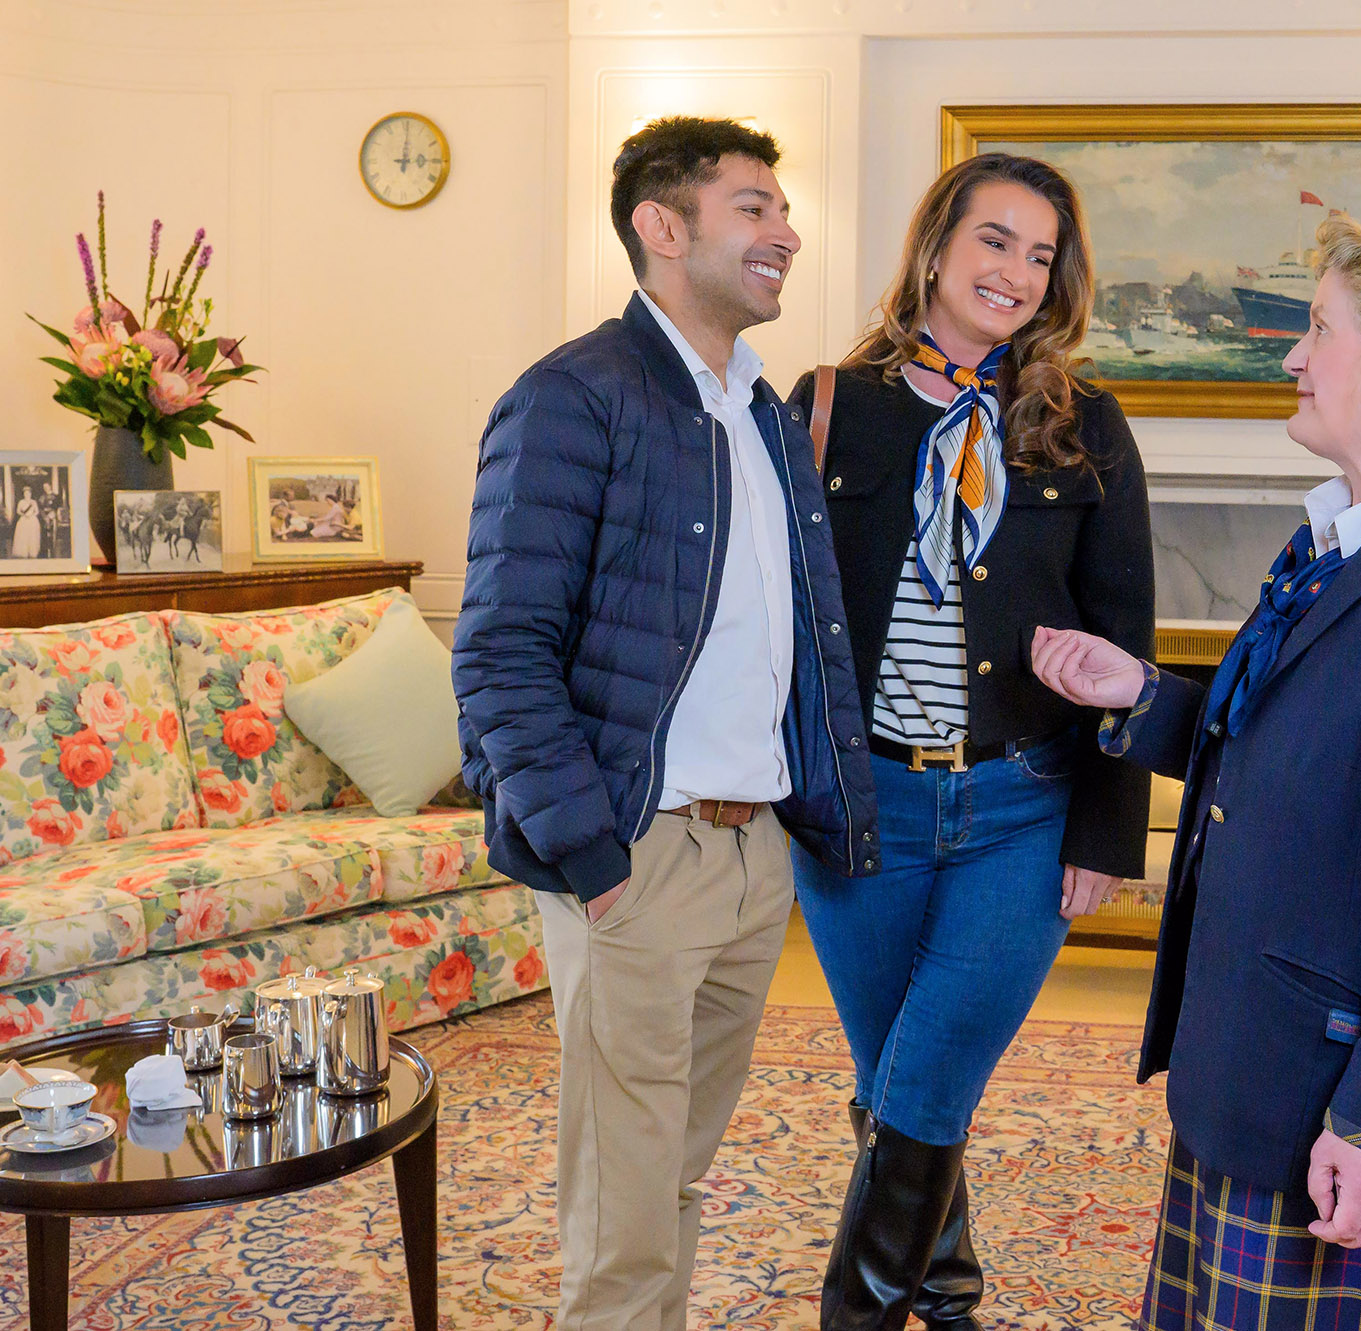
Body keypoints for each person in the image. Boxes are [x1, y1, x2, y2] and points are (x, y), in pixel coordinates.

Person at [1032, 211, 1361, 1329]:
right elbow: (1289, 759)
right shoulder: (1331, 554)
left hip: (1347, 1097)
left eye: (1317, 328)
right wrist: (1139, 694)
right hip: (1251, 1068)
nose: (1289, 353)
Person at [453, 115, 879, 1331]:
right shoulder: (570, 396)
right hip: (638, 850)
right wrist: (592, 857)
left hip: (752, 858)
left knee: (673, 1173)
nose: (786, 233)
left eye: (780, 210)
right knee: (624, 1204)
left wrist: (814, 818)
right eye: (753, 207)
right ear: (661, 225)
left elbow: (806, 640)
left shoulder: (760, 411)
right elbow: (499, 647)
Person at [791, 151, 1154, 1331]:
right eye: (994, 239)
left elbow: (1124, 636)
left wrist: (1107, 826)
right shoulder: (826, 402)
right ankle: (944, 1291)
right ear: (937, 243)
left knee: (930, 1071)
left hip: (1022, 805)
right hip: (863, 811)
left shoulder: (1085, 422)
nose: (1014, 271)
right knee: (894, 1078)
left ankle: (860, 1313)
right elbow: (779, 615)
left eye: (1040, 254)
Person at [11, 490, 41, 559]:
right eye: (25, 493)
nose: (27, 495)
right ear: (24, 494)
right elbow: (18, 511)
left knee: (32, 535)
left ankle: (32, 552)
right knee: (23, 535)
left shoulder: (33, 502)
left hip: (32, 520)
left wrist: (31, 515)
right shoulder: (21, 502)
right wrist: (24, 515)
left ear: (30, 494)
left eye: (28, 493)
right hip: (23, 520)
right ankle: (23, 552)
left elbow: (37, 511)